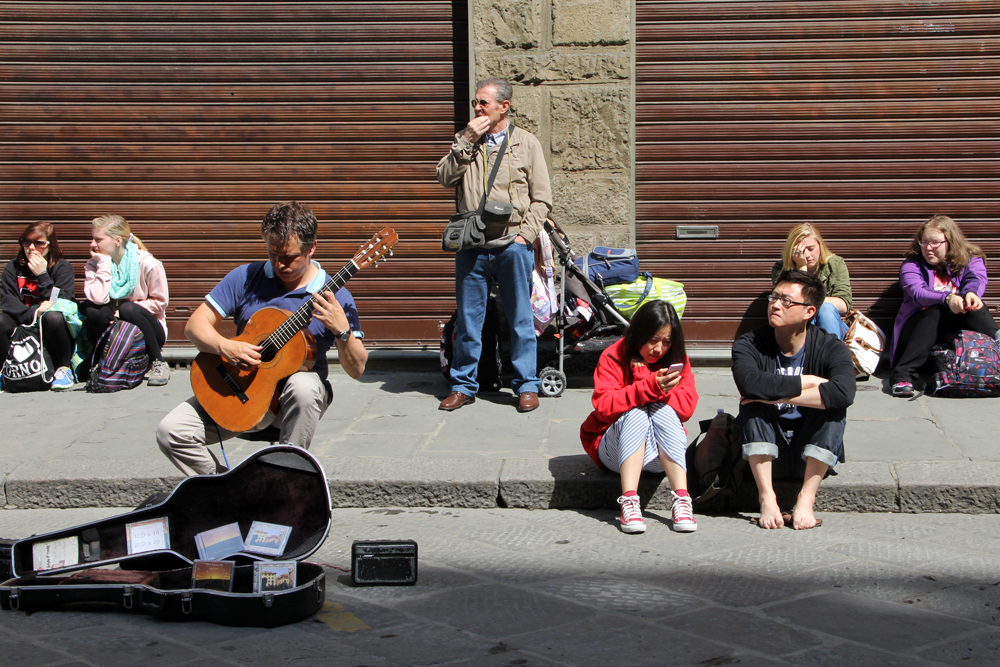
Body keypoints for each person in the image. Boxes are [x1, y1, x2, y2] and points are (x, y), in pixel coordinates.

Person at [157, 201, 368, 476]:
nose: (279, 264)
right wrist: (226, 346)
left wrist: (342, 331)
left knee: (304, 385)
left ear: (311, 248)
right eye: (272, 254)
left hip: (288, 405)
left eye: (289, 257)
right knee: (170, 432)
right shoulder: (246, 277)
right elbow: (194, 325)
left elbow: (357, 369)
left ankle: (286, 479)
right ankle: (226, 489)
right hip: (239, 389)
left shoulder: (336, 297)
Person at [436, 77, 552, 414]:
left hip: (512, 245)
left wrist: (524, 237)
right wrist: (467, 141)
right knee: (470, 321)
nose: (476, 108)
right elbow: (444, 177)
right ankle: (462, 385)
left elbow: (541, 199)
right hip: (472, 245)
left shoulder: (527, 143)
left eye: (483, 103)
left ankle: (526, 386)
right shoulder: (466, 140)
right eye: (475, 102)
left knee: (520, 319)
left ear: (504, 106)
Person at [733, 270, 856, 530]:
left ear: (809, 312)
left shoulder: (831, 347)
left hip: (809, 451)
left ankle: (806, 499)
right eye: (774, 297)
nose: (776, 305)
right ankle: (766, 497)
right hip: (766, 450)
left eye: (787, 301)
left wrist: (772, 395)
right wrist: (809, 381)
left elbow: (844, 392)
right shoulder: (749, 343)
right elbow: (749, 384)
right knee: (754, 404)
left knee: (834, 408)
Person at [580, 300, 699, 534]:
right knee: (635, 413)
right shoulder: (612, 356)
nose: (659, 349)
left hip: (657, 457)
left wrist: (655, 388)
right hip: (614, 453)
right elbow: (603, 407)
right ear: (638, 334)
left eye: (666, 342)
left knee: (663, 409)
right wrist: (647, 386)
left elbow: (686, 409)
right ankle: (629, 500)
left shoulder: (677, 360)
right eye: (653, 340)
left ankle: (682, 500)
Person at [889, 215, 997, 397]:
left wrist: (970, 294)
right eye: (924, 242)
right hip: (919, 330)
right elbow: (918, 294)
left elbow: (976, 279)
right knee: (936, 311)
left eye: (934, 243)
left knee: (976, 306)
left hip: (957, 329)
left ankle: (997, 351)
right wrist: (948, 299)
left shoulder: (971, 259)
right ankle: (902, 375)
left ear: (950, 242)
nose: (928, 248)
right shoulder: (912, 265)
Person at [81, 215, 170, 386]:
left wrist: (124, 310)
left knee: (128, 308)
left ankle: (158, 362)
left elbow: (160, 302)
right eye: (92, 239)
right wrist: (104, 264)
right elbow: (98, 298)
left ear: (117, 240)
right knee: (93, 311)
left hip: (150, 330)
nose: (92, 244)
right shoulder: (95, 264)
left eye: (98, 239)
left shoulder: (148, 264)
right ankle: (101, 363)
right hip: (117, 331)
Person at [0, 221, 77, 390]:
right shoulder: (13, 268)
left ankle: (63, 368)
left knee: (53, 316)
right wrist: (34, 313)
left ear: (51, 245)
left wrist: (42, 275)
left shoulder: (61, 267)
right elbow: (7, 301)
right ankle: (4, 370)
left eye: (39, 243)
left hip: (51, 328)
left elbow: (62, 302)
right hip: (24, 322)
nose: (31, 248)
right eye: (26, 242)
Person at [771, 223, 852, 338]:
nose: (807, 255)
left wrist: (811, 302)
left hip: (831, 323)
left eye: (811, 249)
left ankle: (831, 353)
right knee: (804, 314)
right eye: (801, 251)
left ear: (820, 246)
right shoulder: (781, 269)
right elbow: (791, 303)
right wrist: (802, 268)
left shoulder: (835, 264)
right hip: (796, 324)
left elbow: (844, 304)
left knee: (825, 308)